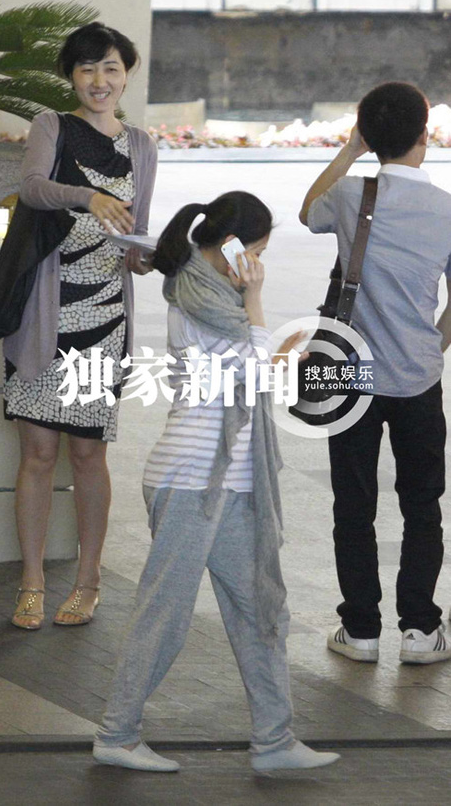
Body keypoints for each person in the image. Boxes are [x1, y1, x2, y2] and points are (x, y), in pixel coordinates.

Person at [92, 191, 340, 773]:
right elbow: (251, 371)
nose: (258, 264)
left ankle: (274, 740)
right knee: (165, 613)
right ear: (230, 247)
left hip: (231, 480)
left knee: (259, 608)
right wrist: (257, 304)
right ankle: (117, 735)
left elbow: (251, 370)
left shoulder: (216, 299)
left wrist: (276, 350)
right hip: (192, 479)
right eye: (256, 252)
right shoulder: (198, 298)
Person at [6, 22, 157, 629]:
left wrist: (144, 255)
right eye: (88, 68)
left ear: (127, 74)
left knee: (89, 453)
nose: (100, 80)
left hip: (104, 319)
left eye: (111, 68)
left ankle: (88, 580)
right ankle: (32, 582)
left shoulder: (141, 145)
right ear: (71, 75)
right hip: (43, 314)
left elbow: (135, 233)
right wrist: (88, 197)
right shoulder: (52, 126)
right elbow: (32, 189)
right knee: (38, 453)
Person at [300, 81, 451, 664]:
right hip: (418, 377)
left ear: (369, 133)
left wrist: (350, 150)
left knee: (353, 504)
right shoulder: (445, 209)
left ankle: (360, 630)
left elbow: (307, 210)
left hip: (346, 373)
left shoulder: (349, 195)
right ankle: (420, 631)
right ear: (424, 135)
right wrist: (430, 346)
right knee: (422, 504)